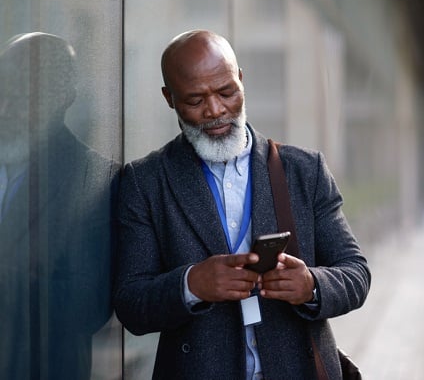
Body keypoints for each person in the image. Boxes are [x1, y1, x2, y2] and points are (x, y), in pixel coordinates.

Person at [113, 30, 371, 380]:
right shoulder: (145, 182)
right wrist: (191, 284)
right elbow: (131, 304)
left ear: (241, 80)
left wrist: (311, 284)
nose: (215, 110)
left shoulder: (305, 171)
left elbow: (356, 274)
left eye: (226, 92)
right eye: (195, 100)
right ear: (169, 98)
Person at [0, 33, 117, 378]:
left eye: (21, 93)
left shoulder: (93, 177)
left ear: (63, 99)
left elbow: (88, 307)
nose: (5, 107)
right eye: (3, 87)